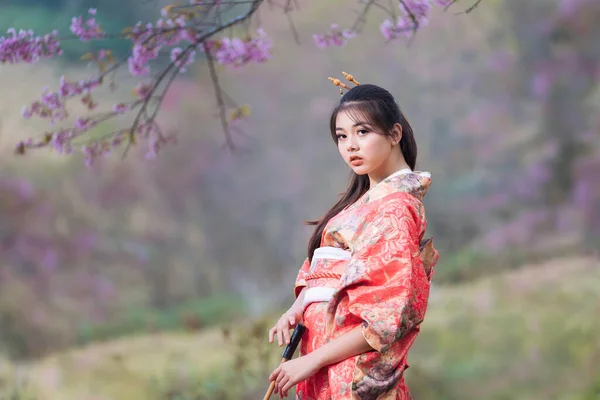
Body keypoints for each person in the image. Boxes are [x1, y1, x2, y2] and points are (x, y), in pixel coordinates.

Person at [268, 73, 439, 400]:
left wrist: (313, 360)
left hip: (350, 368)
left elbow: (385, 318)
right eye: (341, 136)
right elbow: (325, 273)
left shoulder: (396, 209)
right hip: (326, 360)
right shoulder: (360, 205)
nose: (350, 145)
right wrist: (299, 306)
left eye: (362, 132)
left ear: (394, 134)